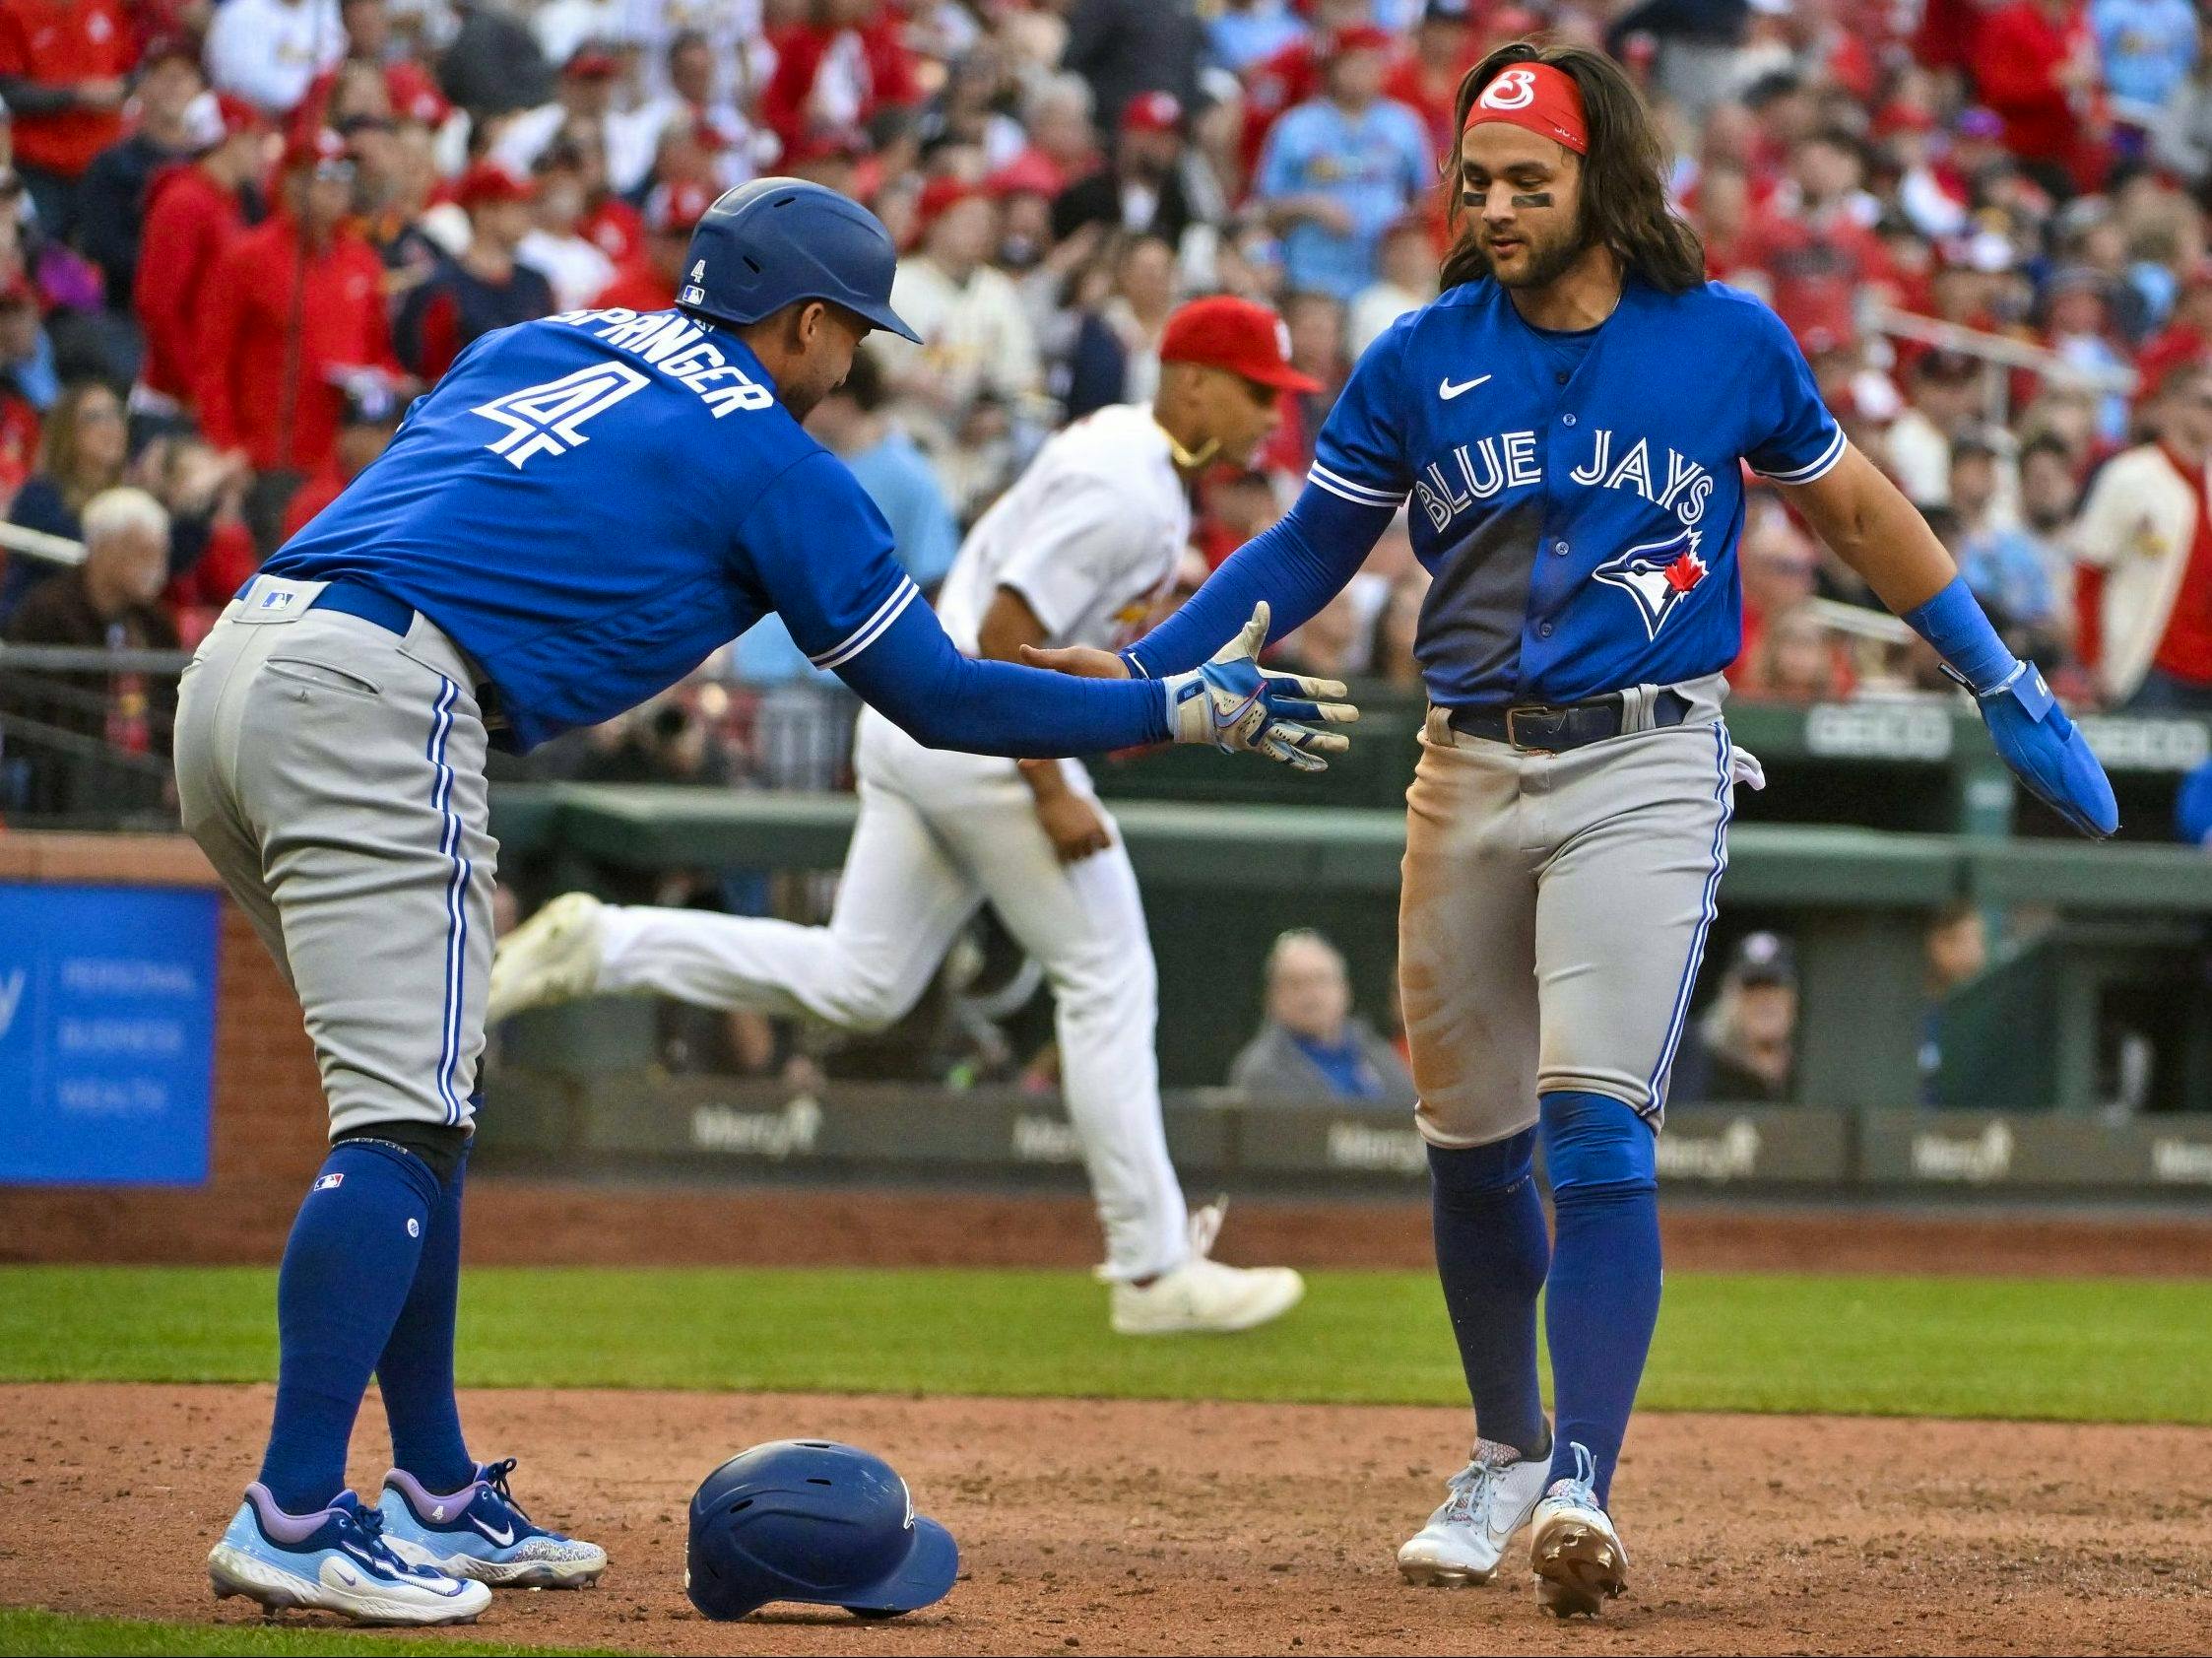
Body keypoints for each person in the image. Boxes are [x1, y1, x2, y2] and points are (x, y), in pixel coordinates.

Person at [1022, 45, 2115, 1618]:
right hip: (1463, 760)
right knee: (1469, 1150)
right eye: (1478, 179)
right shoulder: (1417, 354)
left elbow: (1856, 509)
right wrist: (1146, 670)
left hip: (1645, 757)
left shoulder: (1722, 339)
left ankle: (1583, 1480)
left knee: (1596, 1124)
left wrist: (1997, 674)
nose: (1496, 205)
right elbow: (1312, 539)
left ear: (1603, 182)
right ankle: (1503, 1447)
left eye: (1528, 180)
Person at [173, 177, 1351, 1628]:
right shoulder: (775, 457)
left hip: (240, 665)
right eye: (849, 333)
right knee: (403, 1121)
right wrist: (1180, 705)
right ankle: (292, 1510)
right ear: (802, 321)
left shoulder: (547, 338)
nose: (850, 363)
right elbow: (932, 693)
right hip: (385, 698)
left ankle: (429, 1480)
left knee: (428, 1106)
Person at [488, 293, 1325, 1338]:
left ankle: (603, 942)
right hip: (979, 735)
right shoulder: (1130, 486)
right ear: (1192, 380)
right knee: (1107, 975)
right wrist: (1052, 783)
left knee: (862, 980)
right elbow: (1009, 628)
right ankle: (1152, 1267)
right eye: (1257, 395)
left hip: (912, 727)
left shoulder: (1125, 451)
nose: (1269, 420)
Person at [1, 485, 174, 816]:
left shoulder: (156, 622)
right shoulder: (47, 613)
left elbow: (171, 706)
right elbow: (28, 711)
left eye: (162, 554)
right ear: (105, 550)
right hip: (59, 789)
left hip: (144, 788)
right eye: (145, 553)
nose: (158, 568)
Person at [1253, 24, 1432, 301]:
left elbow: (1424, 196)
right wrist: (1310, 206)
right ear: (1332, 69)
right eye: (1354, 62)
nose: (1364, 71)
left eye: (1372, 61)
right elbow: (1265, 208)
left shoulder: (1403, 123)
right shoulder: (1296, 125)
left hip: (1382, 280)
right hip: (1311, 277)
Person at [2073, 362, 2212, 712]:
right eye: (2206, 402)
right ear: (2172, 406)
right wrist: (2094, 662)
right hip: (2148, 667)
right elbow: (2089, 572)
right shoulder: (2130, 475)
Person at [132, 91, 269, 423]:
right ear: (231, 140)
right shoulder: (184, 202)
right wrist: (196, 384)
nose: (261, 154)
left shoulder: (228, 202)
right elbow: (158, 304)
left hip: (206, 389)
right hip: (174, 401)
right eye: (254, 140)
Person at [395, 161, 554, 382]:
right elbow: (426, 375)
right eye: (516, 205)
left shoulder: (536, 282)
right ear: (484, 211)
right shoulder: (442, 288)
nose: (527, 214)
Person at [1227, 929, 1418, 1109]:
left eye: (1321, 980)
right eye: (1295, 984)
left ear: (1345, 990)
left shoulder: (1380, 1056)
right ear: (1272, 997)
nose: (1312, 995)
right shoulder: (1261, 1069)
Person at [0, 0, 136, 239]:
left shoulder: (105, 5)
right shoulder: (13, 9)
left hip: (104, 163)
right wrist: (75, 95)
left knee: (104, 256)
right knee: (44, 259)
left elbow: (130, 68)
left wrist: (124, 89)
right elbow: (9, 92)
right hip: (42, 168)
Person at [0, 377, 125, 619]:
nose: (112, 426)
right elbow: (88, 554)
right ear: (67, 430)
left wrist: (197, 509)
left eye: (117, 414)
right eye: (96, 417)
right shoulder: (39, 496)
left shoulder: (130, 496)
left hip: (98, 628)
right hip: (37, 632)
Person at [1669, 931, 1797, 1103]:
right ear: (1729, 998)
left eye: (1773, 986)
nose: (1764, 999)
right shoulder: (1693, 1059)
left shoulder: (1810, 1065)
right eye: (1751, 987)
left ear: (1792, 997)